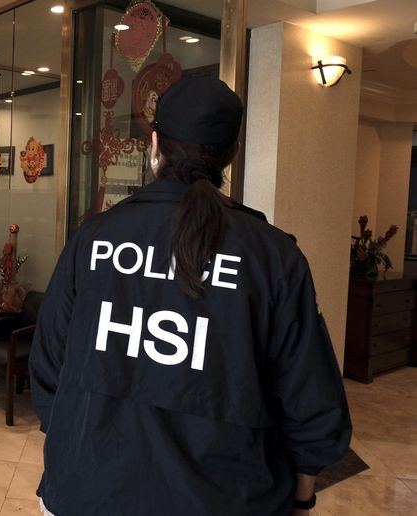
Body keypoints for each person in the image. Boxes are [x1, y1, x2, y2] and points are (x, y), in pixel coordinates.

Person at [29, 76, 351, 516]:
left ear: (154, 145)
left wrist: (76, 451)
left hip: (86, 492)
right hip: (226, 499)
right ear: (230, 155)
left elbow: (49, 364)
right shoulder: (273, 256)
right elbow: (309, 399)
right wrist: (302, 498)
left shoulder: (95, 238)